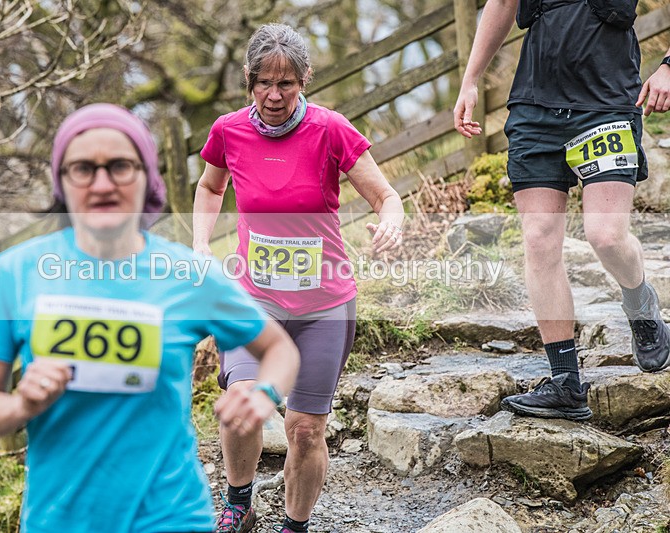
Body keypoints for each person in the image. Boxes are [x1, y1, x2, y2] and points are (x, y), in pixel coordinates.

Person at [0, 103, 300, 533]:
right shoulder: (15, 274)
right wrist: (21, 404)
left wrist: (262, 393)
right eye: (82, 168)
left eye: (120, 166)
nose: (102, 183)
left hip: (170, 515)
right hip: (58, 519)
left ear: (146, 177)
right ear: (61, 181)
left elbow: (279, 349)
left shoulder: (185, 274)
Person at [193, 23, 405, 533]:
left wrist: (392, 222)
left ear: (305, 79)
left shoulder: (331, 129)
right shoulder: (228, 130)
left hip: (324, 304)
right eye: (263, 82)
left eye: (286, 84)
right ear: (248, 79)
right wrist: (200, 244)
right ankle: (239, 503)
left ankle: (295, 525)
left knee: (305, 429)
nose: (273, 95)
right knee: (240, 403)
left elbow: (386, 196)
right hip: (254, 298)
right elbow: (209, 187)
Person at [454, 0, 670, 421]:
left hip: (606, 103)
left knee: (605, 235)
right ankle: (566, 382)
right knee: (538, 239)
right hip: (535, 109)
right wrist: (471, 80)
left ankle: (642, 308)